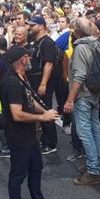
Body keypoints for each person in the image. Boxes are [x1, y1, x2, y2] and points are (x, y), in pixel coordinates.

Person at [0, 46, 61, 199]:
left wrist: (46, 110)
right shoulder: (11, 82)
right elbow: (17, 114)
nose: (31, 59)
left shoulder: (21, 78)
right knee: (18, 174)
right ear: (22, 60)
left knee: (36, 167)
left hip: (29, 134)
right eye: (28, 56)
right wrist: (43, 118)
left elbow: (29, 100)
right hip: (18, 136)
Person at [63, 18, 100, 186]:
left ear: (77, 30)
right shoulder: (97, 44)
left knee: (85, 132)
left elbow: (79, 75)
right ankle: (95, 164)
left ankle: (93, 170)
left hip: (83, 95)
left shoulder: (80, 48)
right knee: (95, 129)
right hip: (95, 92)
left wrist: (70, 99)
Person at [26, 16, 59, 154]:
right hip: (34, 81)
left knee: (46, 110)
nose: (30, 28)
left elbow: (49, 64)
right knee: (40, 110)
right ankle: (45, 138)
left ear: (41, 26)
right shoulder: (36, 42)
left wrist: (43, 84)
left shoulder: (47, 43)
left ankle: (51, 142)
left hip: (42, 83)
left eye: (33, 25)